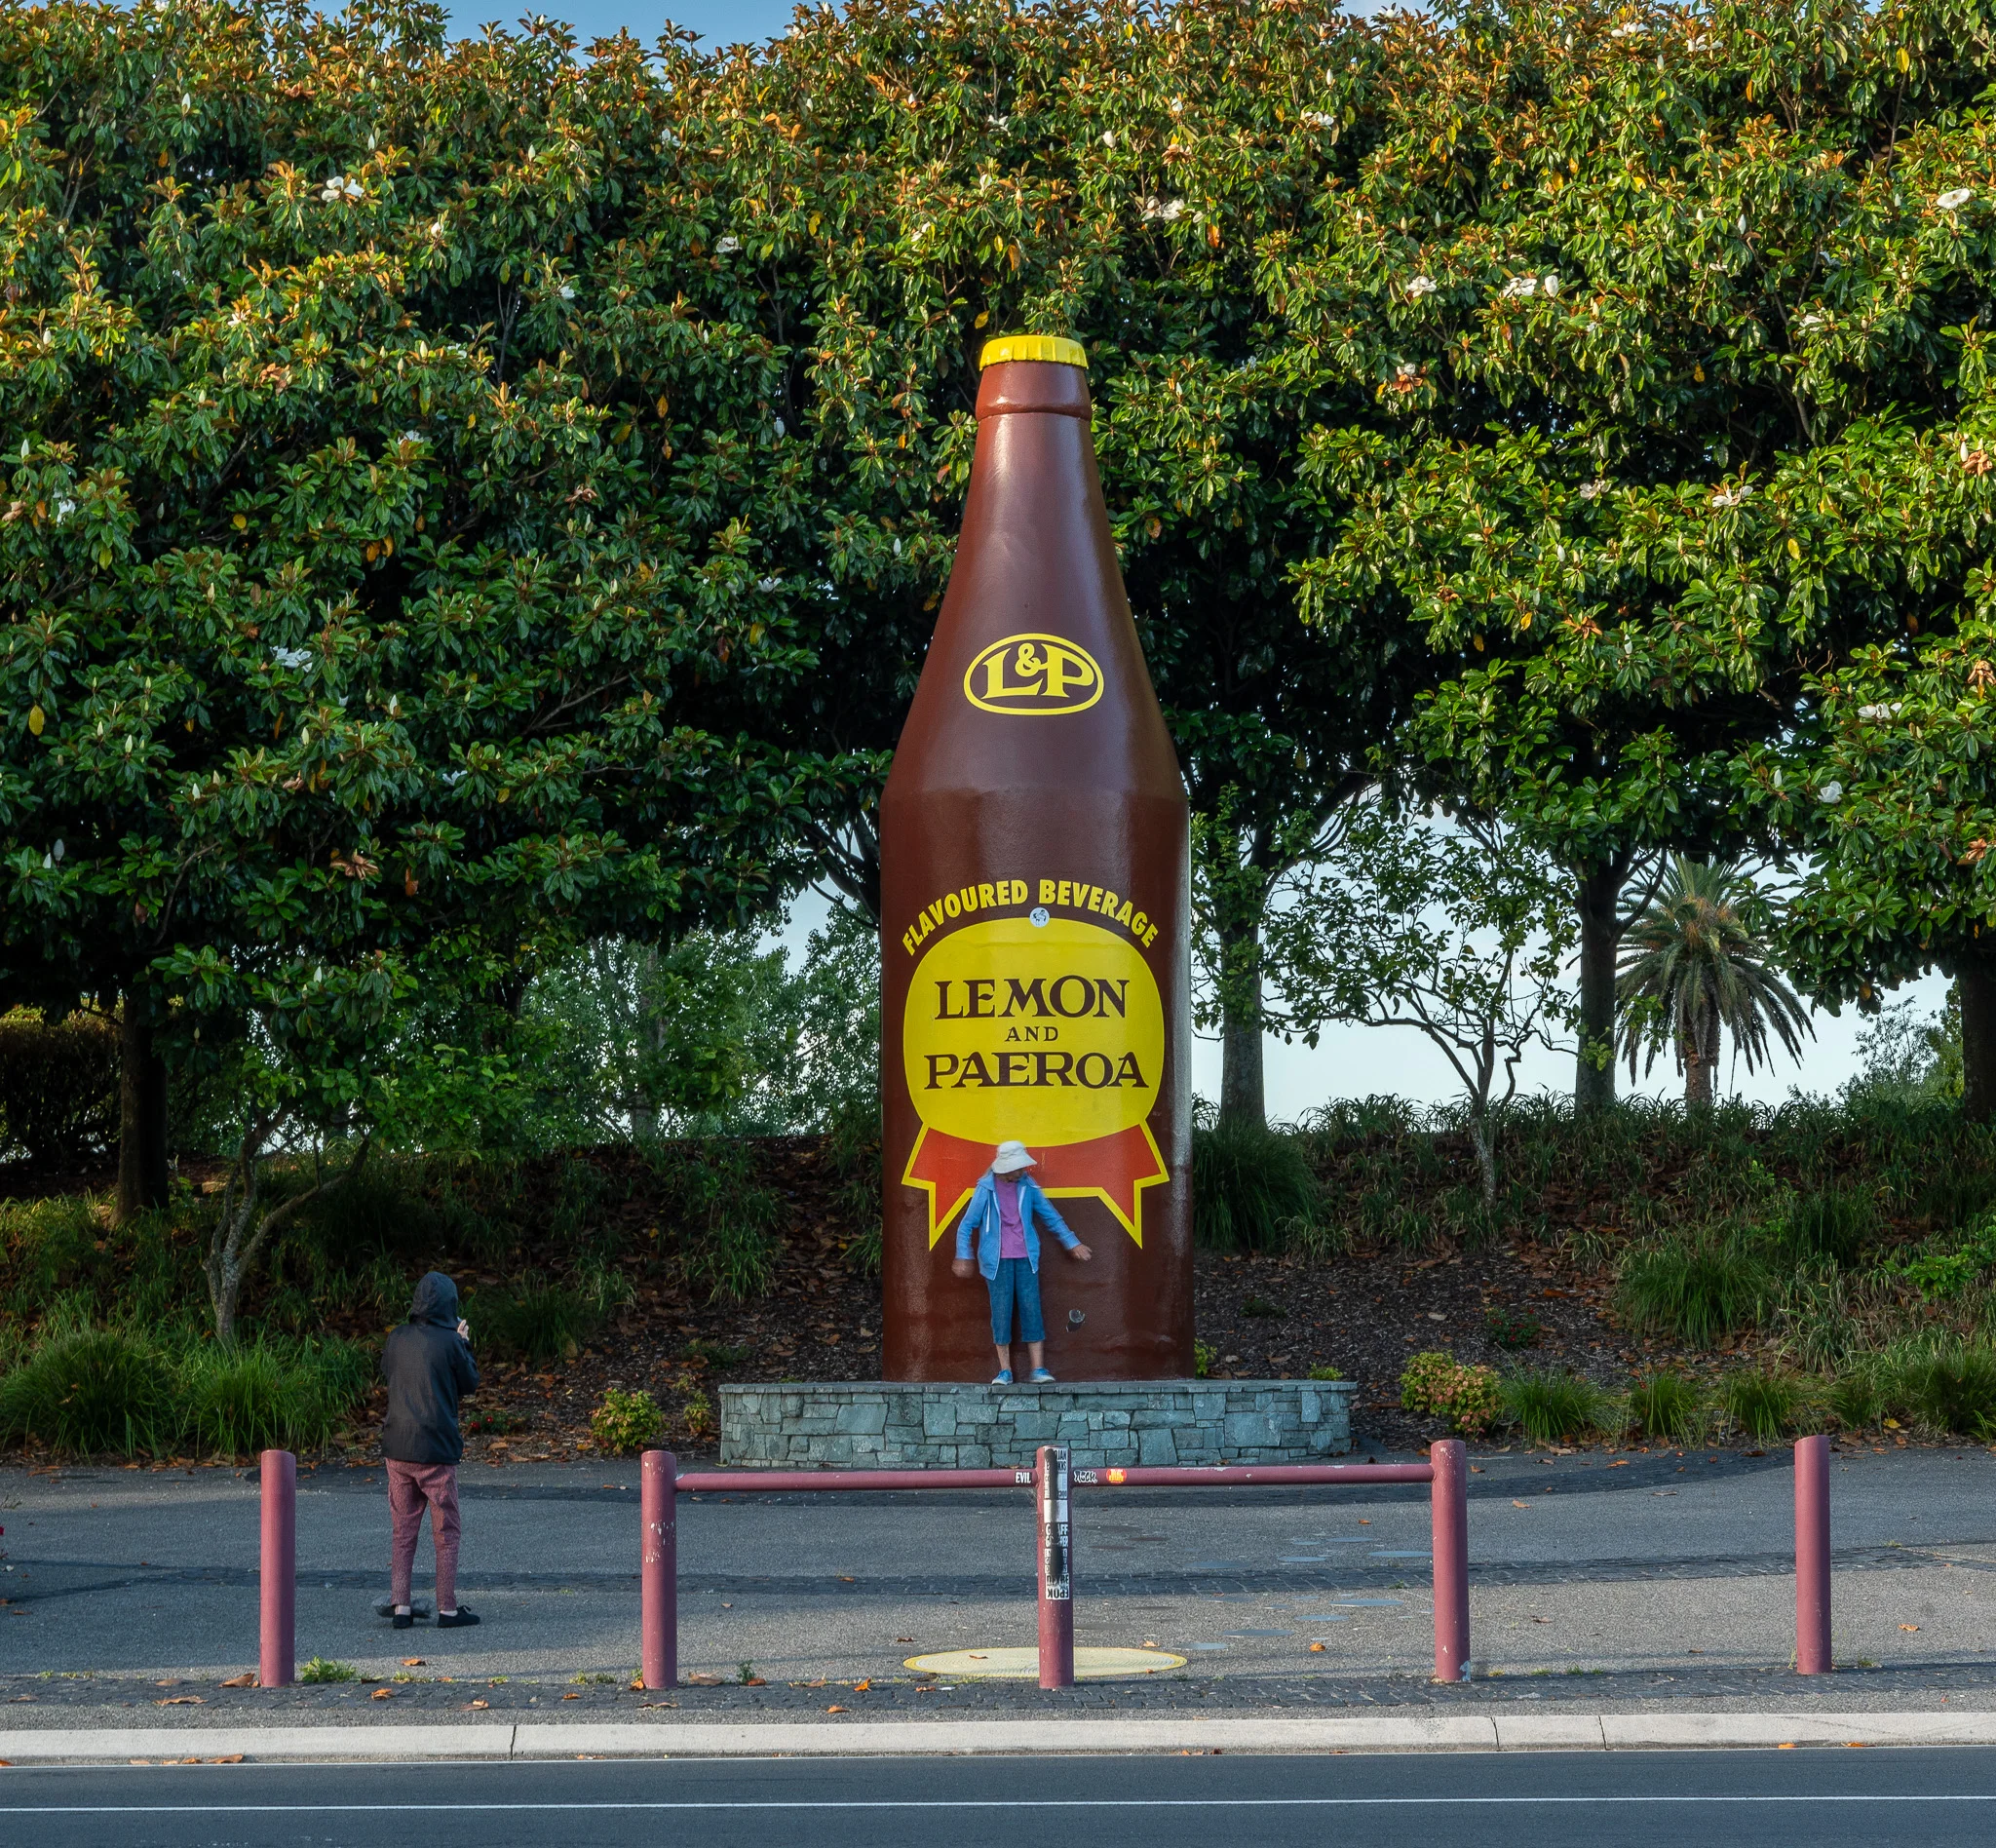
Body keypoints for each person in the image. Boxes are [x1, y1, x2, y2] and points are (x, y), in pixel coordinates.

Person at [380, 1271, 480, 1631]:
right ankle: (448, 1609)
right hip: (437, 1450)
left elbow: (387, 1374)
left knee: (403, 1530)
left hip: (397, 1448)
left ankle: (402, 1606)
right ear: (449, 1304)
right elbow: (470, 1384)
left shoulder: (396, 1338)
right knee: (446, 1531)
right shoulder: (451, 1342)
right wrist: (464, 1343)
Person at [951, 1139, 1092, 1384]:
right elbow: (966, 1225)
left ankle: (1038, 1369)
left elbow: (1051, 1216)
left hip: (1027, 1259)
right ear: (1005, 1168)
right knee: (1001, 1313)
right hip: (996, 1263)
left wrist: (1073, 1242)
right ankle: (1004, 1370)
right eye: (1018, 1167)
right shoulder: (986, 1189)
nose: (1022, 1171)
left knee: (1031, 1310)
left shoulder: (1028, 1186)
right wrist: (963, 1254)